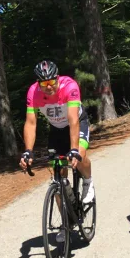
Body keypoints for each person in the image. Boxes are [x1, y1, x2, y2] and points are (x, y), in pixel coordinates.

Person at [20, 60, 95, 208]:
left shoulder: (70, 86)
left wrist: (73, 149)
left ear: (58, 78)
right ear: (38, 83)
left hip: (77, 123)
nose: (48, 87)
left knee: (79, 155)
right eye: (44, 84)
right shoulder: (33, 92)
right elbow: (31, 123)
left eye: (52, 82)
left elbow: (73, 120)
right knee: (57, 174)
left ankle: (88, 181)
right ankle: (65, 225)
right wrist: (28, 151)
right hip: (56, 129)